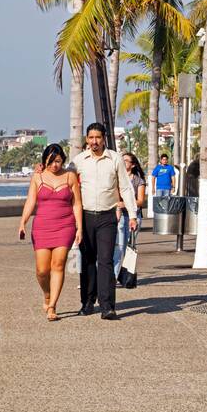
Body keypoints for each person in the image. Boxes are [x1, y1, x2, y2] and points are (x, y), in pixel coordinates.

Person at [71, 123, 138, 320]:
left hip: (108, 216)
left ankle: (108, 306)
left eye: (97, 138)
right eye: (90, 138)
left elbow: (125, 188)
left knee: (106, 260)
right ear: (86, 139)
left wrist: (132, 215)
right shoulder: (79, 161)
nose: (94, 142)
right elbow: (65, 180)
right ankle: (87, 302)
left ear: (104, 138)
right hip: (85, 217)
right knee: (88, 260)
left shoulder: (114, 159)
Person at [18, 144, 83, 322]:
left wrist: (80, 227)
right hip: (42, 226)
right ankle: (47, 293)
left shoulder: (70, 176)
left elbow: (77, 204)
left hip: (65, 225)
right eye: (51, 161)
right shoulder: (37, 177)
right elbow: (30, 201)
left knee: (59, 264)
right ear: (44, 160)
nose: (55, 165)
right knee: (42, 270)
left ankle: (52, 305)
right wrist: (23, 222)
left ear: (63, 160)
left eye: (58, 161)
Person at [114, 152, 146, 277]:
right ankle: (113, 276)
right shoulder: (116, 178)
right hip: (120, 216)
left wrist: (124, 204)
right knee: (118, 248)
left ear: (132, 165)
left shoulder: (139, 181)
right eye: (122, 160)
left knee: (129, 248)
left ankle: (127, 275)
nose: (123, 162)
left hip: (134, 217)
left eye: (126, 160)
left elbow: (140, 201)